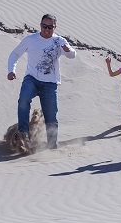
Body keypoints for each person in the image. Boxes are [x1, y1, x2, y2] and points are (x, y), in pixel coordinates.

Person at [7, 14, 77, 149]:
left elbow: (72, 55)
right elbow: (15, 54)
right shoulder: (30, 39)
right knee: (23, 99)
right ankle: (24, 134)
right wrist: (11, 70)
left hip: (50, 83)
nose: (47, 29)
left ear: (55, 27)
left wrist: (68, 50)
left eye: (50, 27)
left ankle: (52, 147)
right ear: (40, 25)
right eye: (44, 26)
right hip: (32, 79)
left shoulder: (59, 41)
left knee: (51, 117)